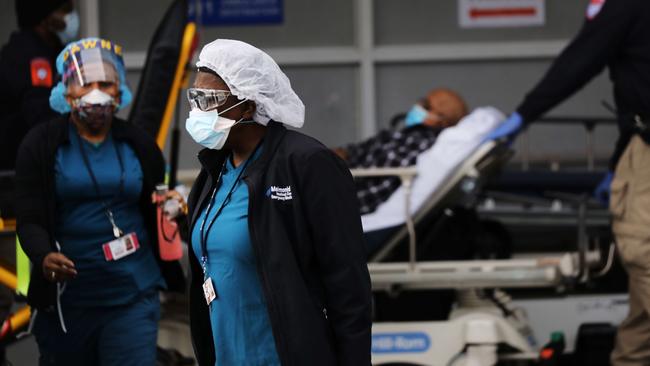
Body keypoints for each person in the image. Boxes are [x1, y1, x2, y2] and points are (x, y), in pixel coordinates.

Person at [184, 39, 371, 366]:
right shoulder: (215, 170)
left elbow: (347, 282)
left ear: (247, 103)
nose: (199, 110)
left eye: (210, 99)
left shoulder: (307, 163)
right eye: (195, 98)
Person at [484, 1, 650, 364]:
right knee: (641, 317)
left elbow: (578, 62)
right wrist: (621, 159)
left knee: (643, 256)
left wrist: (524, 116)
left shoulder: (626, 6)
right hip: (639, 143)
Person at [14, 38, 184, 366]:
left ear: (120, 91)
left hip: (132, 295)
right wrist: (44, 255)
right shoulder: (40, 145)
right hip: (68, 304)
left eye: (105, 83)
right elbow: (30, 217)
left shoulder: (139, 144)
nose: (96, 92)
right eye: (85, 83)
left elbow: (161, 200)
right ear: (65, 92)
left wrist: (178, 203)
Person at [335, 88, 468, 215]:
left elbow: (377, 183)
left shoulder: (419, 144)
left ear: (442, 120)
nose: (418, 105)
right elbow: (356, 150)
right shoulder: (404, 134)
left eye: (426, 105)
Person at [0, 0, 79, 171]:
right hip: (18, 171)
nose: (71, 17)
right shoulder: (28, 55)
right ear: (44, 19)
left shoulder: (54, 50)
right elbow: (41, 114)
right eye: (65, 10)